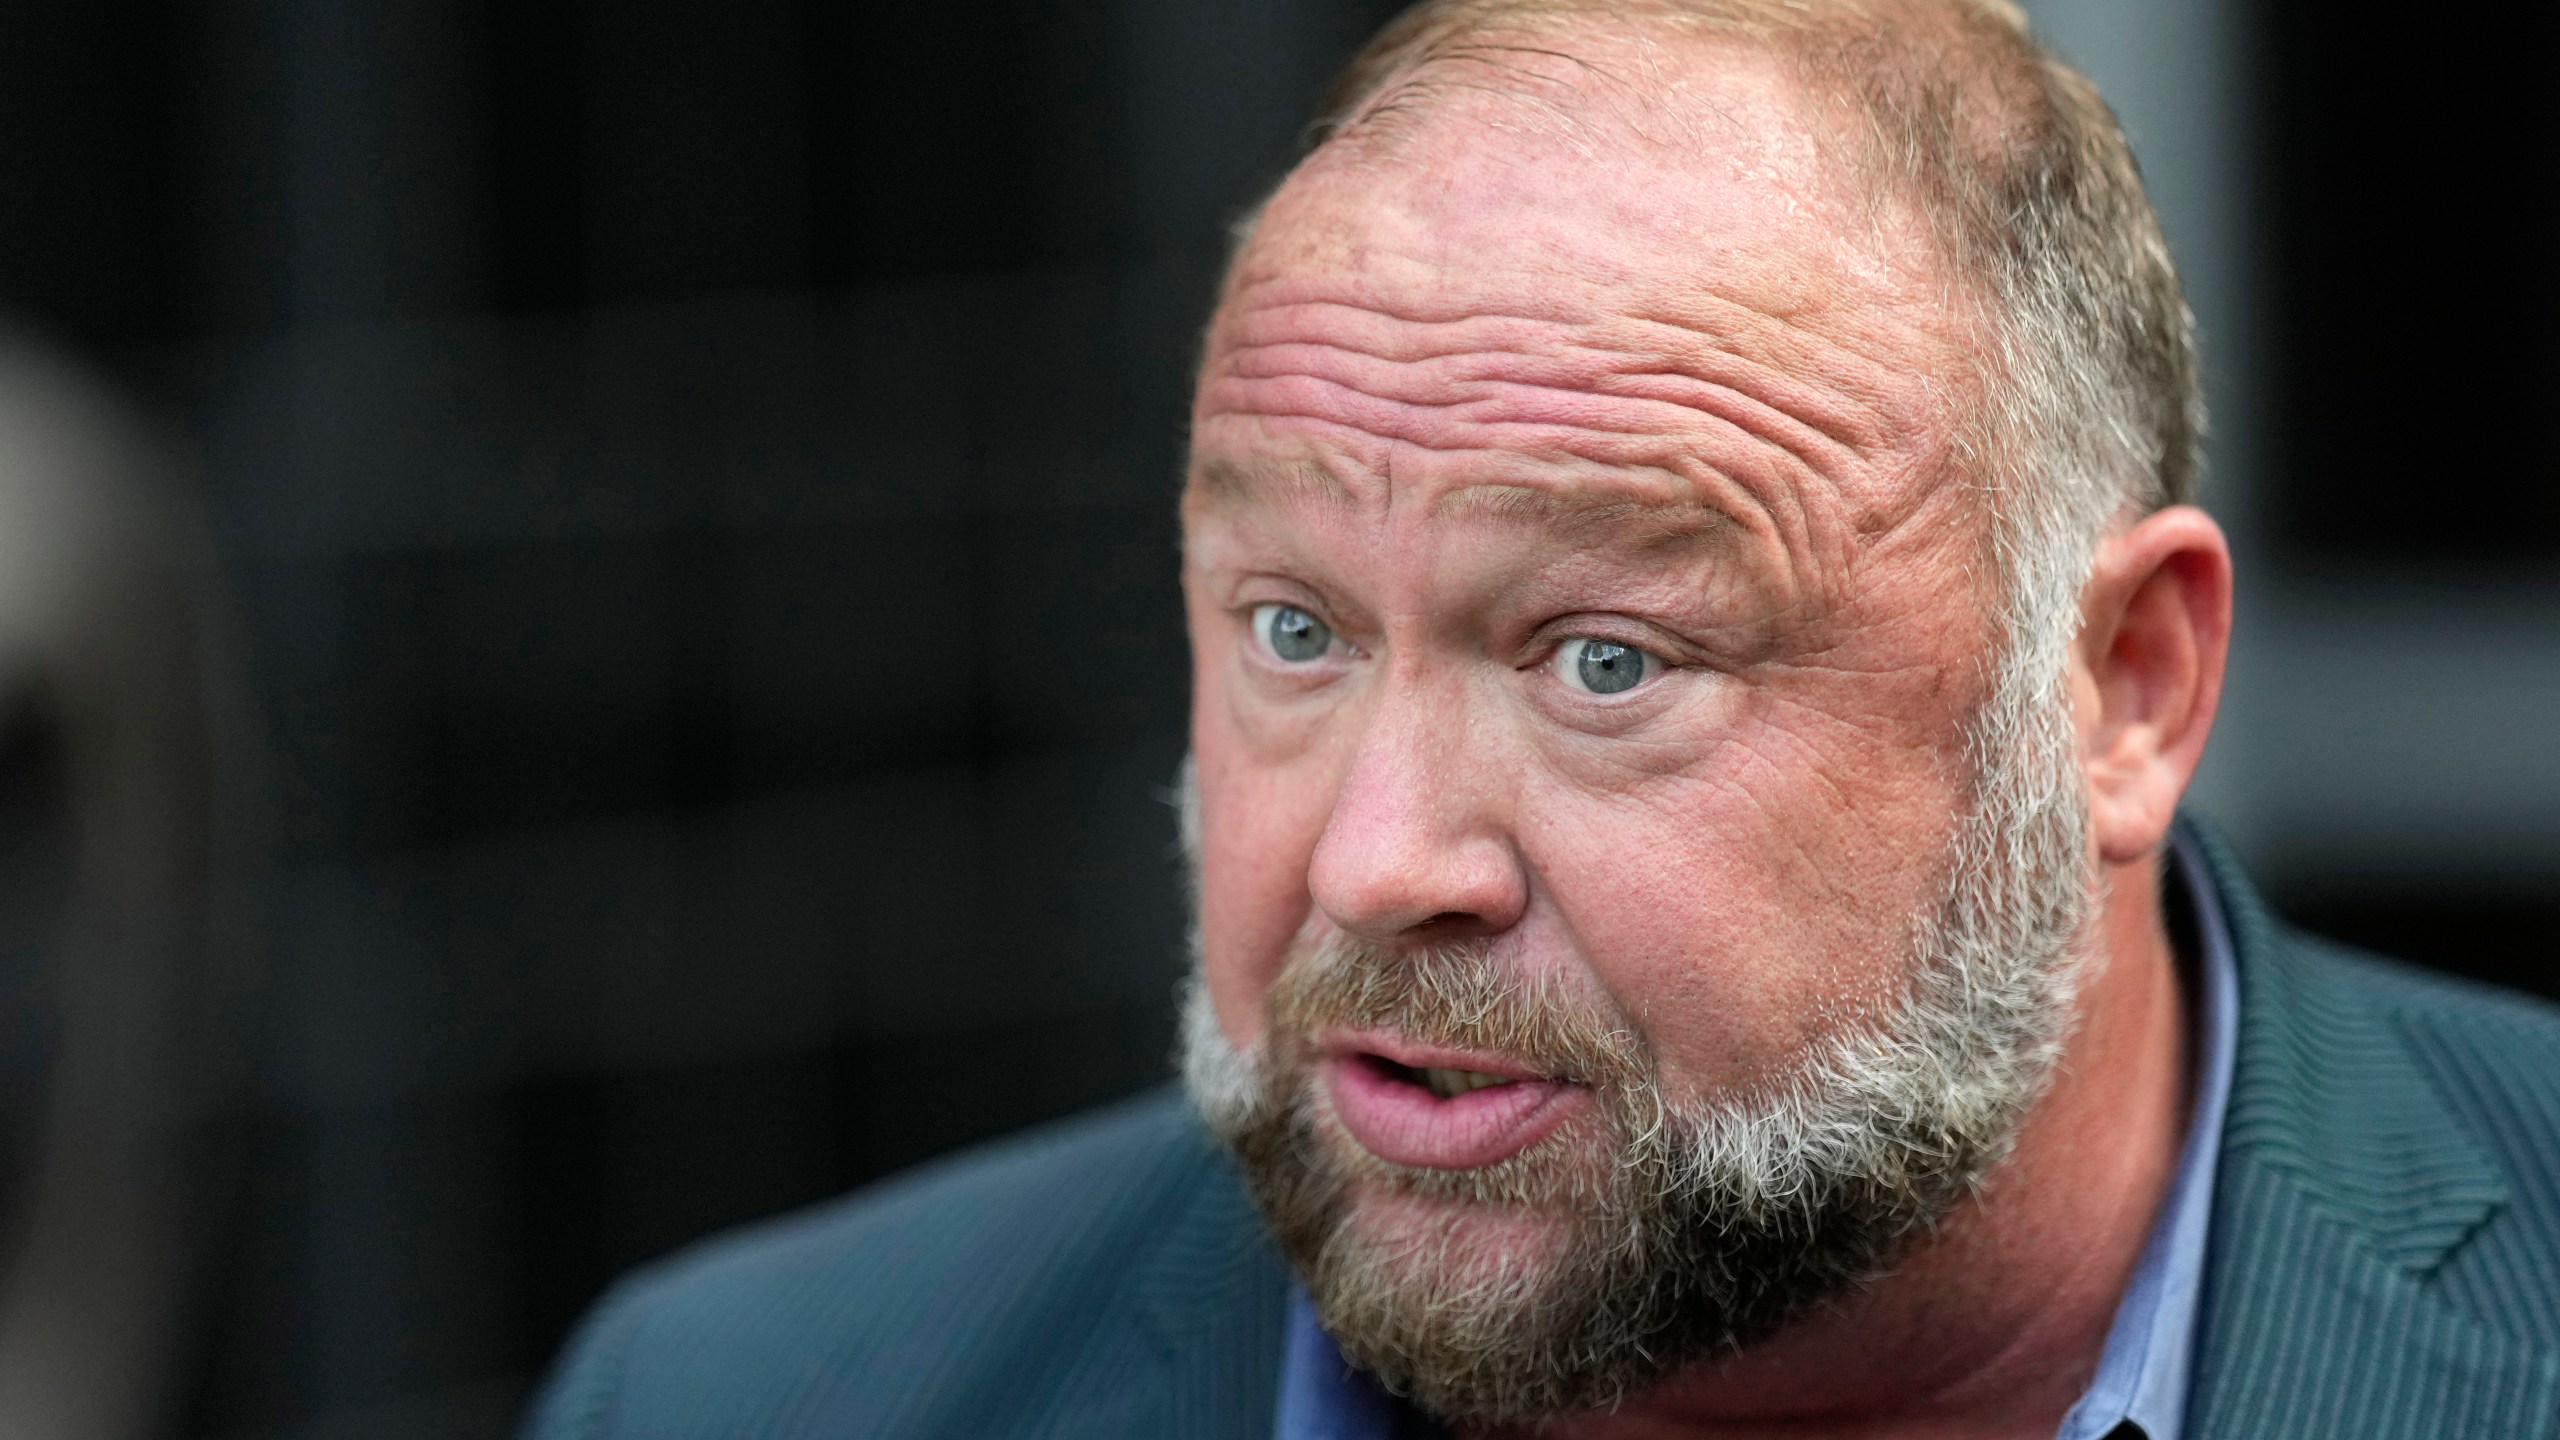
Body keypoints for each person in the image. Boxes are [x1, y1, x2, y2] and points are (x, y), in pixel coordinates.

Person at [523, 1, 2560, 1436]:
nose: (1375, 857)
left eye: (1606, 659)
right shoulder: (744, 1397)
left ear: (2120, 692)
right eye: (1295, 632)